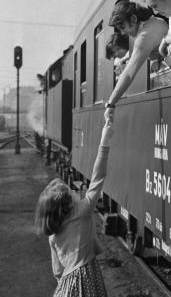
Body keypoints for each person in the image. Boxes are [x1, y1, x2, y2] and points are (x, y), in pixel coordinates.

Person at [35, 120, 114, 297]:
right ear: (68, 202)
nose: (74, 191)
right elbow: (98, 176)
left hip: (66, 286)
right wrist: (105, 140)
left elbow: (57, 272)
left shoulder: (52, 235)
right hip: (88, 281)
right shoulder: (83, 211)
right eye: (71, 191)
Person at [104, 0, 168, 122]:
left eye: (123, 27)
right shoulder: (154, 21)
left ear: (133, 19)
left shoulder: (144, 36)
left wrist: (111, 104)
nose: (123, 33)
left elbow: (128, 74)